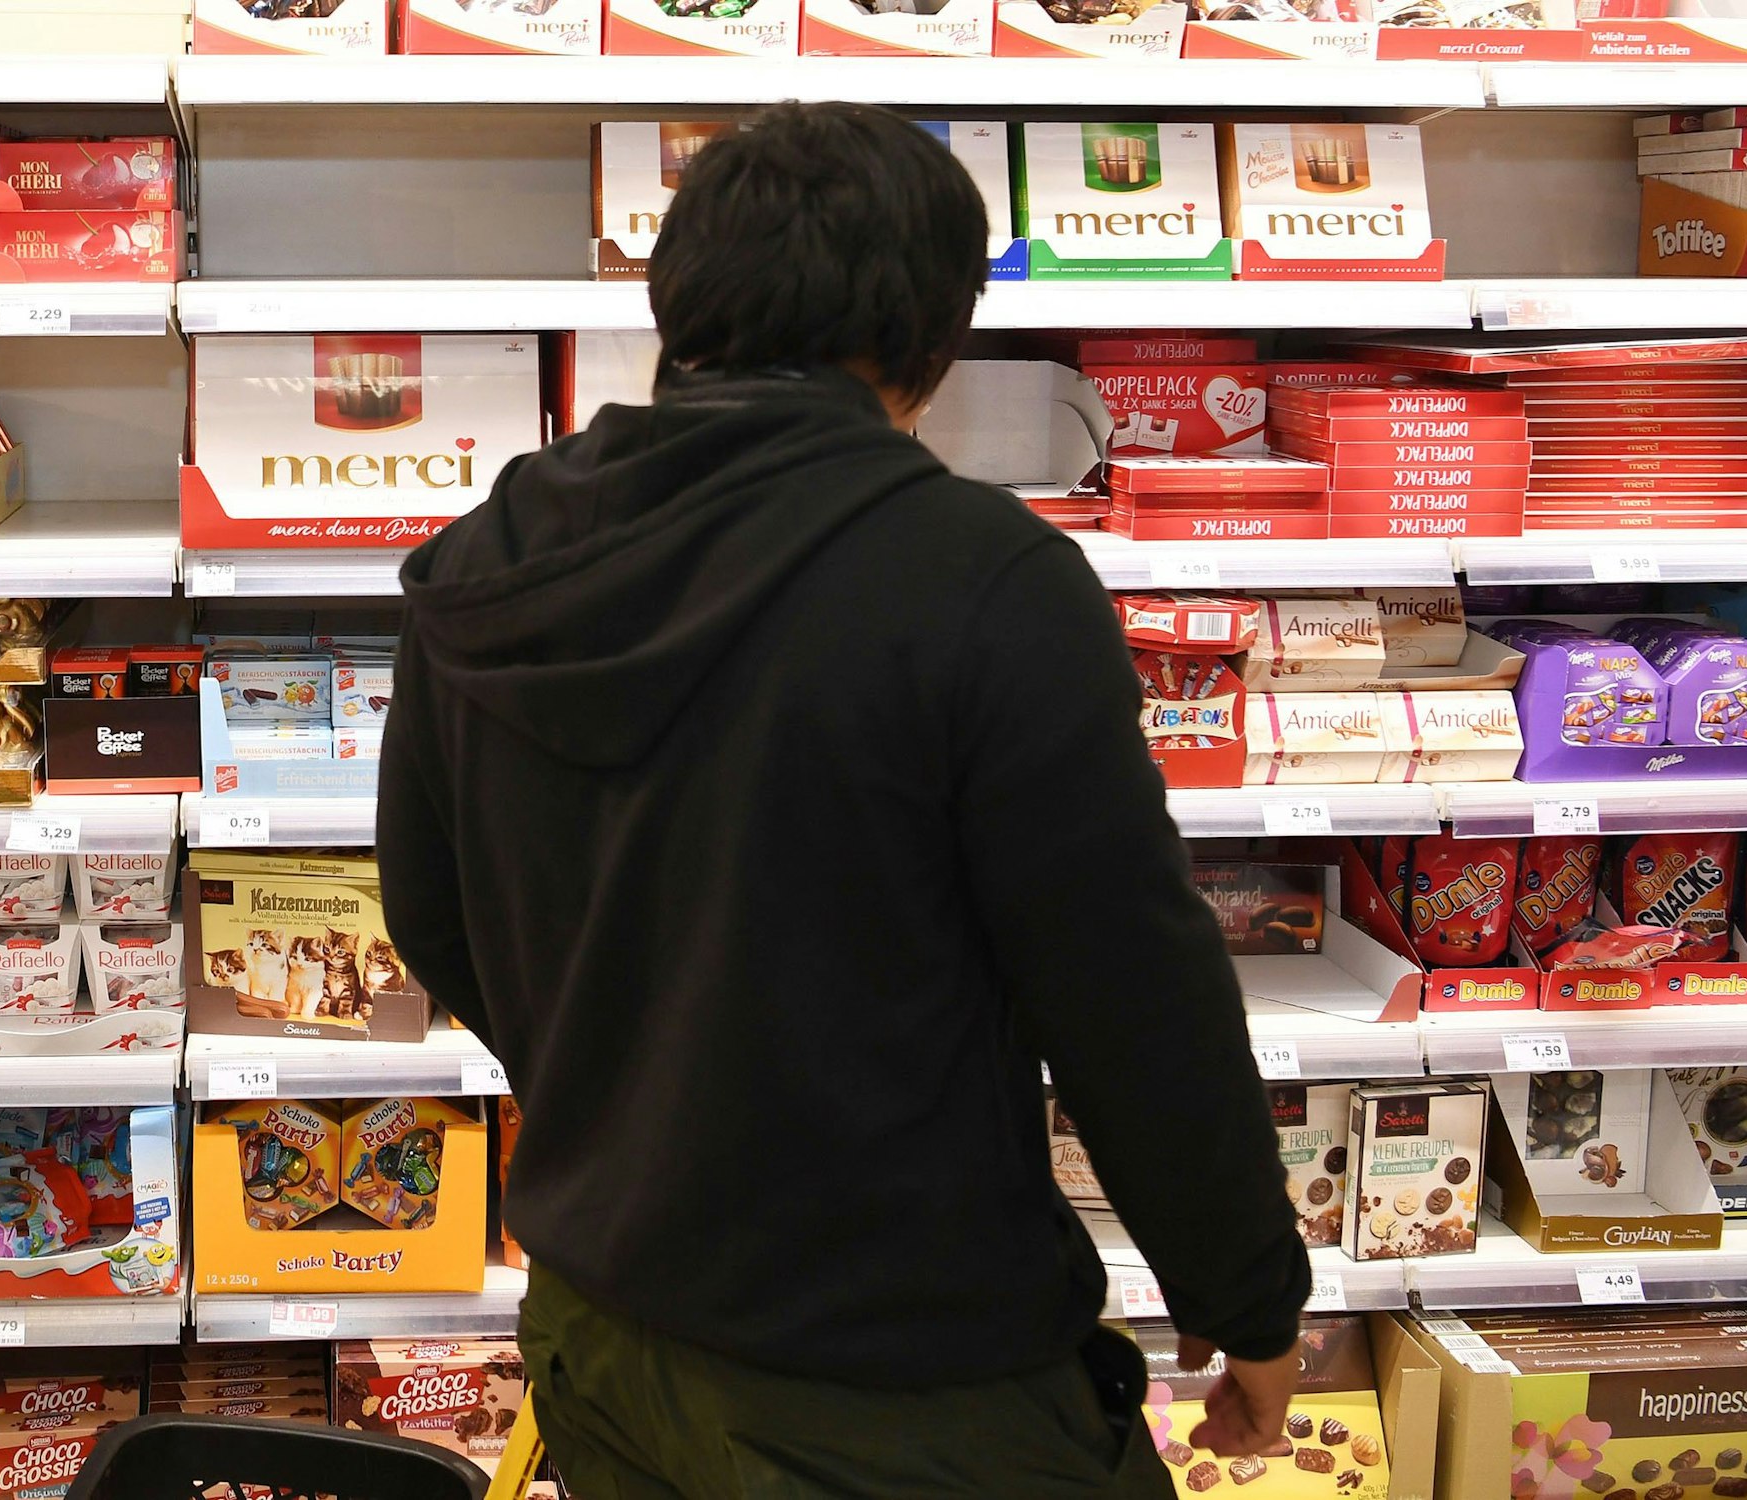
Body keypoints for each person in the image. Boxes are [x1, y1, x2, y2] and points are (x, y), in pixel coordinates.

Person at [376, 100, 1309, 1498]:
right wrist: (1245, 1299)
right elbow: (1130, 994)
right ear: (934, 344)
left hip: (600, 1330)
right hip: (898, 1375)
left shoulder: (487, 556)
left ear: (676, 304)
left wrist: (633, 1092)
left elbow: (430, 913)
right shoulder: (983, 581)